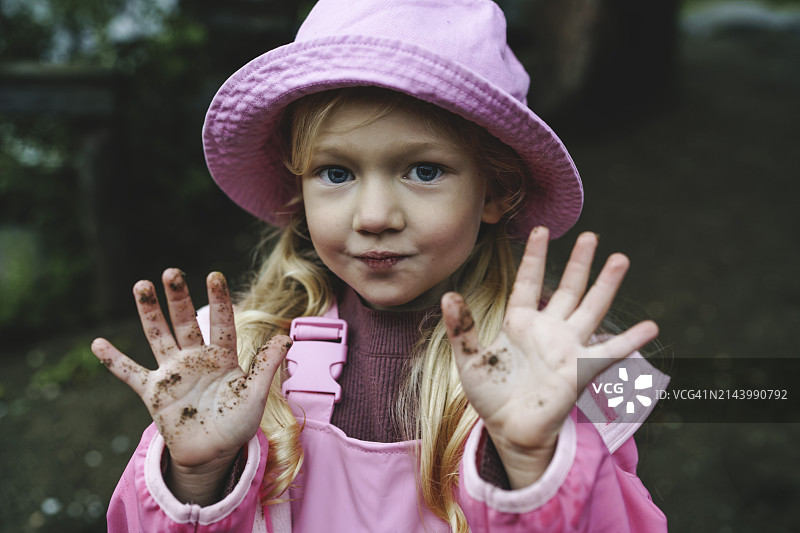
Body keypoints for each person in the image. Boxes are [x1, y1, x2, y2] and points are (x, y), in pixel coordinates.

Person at [91, 0, 670, 531]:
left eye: (423, 170)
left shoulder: (567, 366)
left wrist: (532, 463)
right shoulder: (245, 359)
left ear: (497, 191)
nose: (373, 217)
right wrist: (196, 476)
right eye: (336, 173)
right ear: (300, 192)